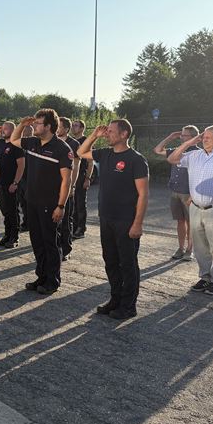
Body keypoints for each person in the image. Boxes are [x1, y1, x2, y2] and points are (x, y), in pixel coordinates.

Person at [77, 119, 149, 319]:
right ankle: (115, 299)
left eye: (110, 131)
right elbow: (81, 153)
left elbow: (143, 194)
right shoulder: (105, 154)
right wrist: (93, 136)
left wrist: (138, 223)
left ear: (124, 134)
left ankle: (128, 306)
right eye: (106, 131)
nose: (106, 133)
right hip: (106, 217)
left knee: (127, 264)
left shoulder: (136, 159)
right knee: (110, 261)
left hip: (126, 220)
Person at [168, 125, 213, 296]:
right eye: (203, 136)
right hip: (195, 207)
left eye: (208, 137)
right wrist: (191, 141)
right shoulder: (194, 155)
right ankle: (204, 277)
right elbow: (172, 159)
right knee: (200, 247)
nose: (204, 139)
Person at [9, 110, 72, 294]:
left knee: (50, 243)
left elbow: (66, 181)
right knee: (37, 242)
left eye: (38, 123)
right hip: (32, 201)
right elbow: (14, 140)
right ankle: (41, 277)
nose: (34, 126)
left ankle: (53, 281)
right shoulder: (33, 142)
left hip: (50, 204)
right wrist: (21, 125)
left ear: (48, 127)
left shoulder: (62, 149)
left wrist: (61, 206)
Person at [153, 125, 200, 261]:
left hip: (188, 193)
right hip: (175, 191)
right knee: (180, 221)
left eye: (184, 136)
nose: (181, 137)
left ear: (193, 138)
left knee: (191, 222)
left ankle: (189, 250)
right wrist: (169, 137)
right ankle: (180, 247)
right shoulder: (176, 151)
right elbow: (157, 150)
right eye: (181, 135)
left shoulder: (198, 153)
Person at [0, 122, 25, 248]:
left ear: (13, 130)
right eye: (2, 129)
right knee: (5, 211)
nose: (3, 131)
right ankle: (7, 235)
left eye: (6, 129)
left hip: (11, 184)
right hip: (0, 183)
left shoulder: (17, 145)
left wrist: (15, 182)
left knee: (12, 211)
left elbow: (21, 165)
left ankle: (14, 238)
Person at [56, 117, 82, 260]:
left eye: (59, 127)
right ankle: (55, 248)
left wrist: (72, 185)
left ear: (66, 128)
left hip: (67, 186)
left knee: (65, 220)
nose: (57, 129)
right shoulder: (53, 142)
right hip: (53, 186)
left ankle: (65, 250)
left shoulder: (74, 143)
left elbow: (76, 166)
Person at [70, 119, 92, 239]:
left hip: (81, 176)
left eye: (76, 126)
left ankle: (81, 229)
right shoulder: (71, 141)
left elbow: (90, 162)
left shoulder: (85, 141)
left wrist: (87, 178)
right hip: (71, 176)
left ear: (82, 128)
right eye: (72, 125)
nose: (73, 128)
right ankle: (73, 226)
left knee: (80, 204)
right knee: (72, 203)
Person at [17, 124, 34, 231]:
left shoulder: (34, 145)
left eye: (27, 131)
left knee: (29, 202)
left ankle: (30, 222)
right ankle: (26, 222)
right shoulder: (20, 145)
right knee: (22, 202)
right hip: (21, 178)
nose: (24, 133)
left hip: (31, 179)